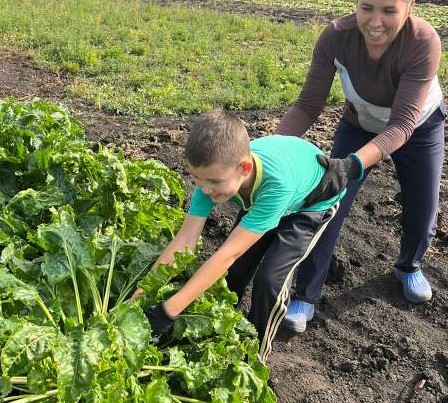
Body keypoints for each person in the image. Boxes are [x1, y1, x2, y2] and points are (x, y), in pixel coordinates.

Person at [276, 0, 446, 332]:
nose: (375, 21)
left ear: (410, 6)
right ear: (356, 2)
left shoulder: (423, 42)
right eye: (366, 7)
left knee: (422, 209)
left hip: (418, 127)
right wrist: (267, 149)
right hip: (361, 123)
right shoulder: (336, 37)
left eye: (389, 10)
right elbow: (307, 107)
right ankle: (305, 294)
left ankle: (408, 266)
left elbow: (401, 125)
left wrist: (351, 164)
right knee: (328, 203)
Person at [141, 110, 346, 361]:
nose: (205, 189)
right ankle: (219, 328)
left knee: (270, 281)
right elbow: (184, 241)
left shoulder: (276, 185)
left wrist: (167, 311)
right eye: (196, 179)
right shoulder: (212, 179)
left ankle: (257, 355)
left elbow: (228, 253)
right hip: (262, 196)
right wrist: (139, 296)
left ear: (244, 169)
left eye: (214, 182)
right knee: (232, 275)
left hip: (311, 203)